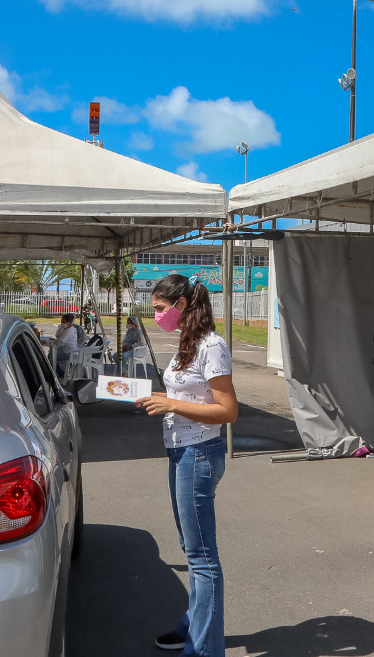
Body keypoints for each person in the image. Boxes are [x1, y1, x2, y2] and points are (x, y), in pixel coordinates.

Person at [134, 274, 237, 655]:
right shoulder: (187, 341)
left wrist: (171, 404)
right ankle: (194, 624)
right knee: (190, 546)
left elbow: (228, 410)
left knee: (202, 556)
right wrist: (156, 397)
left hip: (199, 453)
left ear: (181, 305)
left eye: (160, 308)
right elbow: (189, 394)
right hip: (180, 451)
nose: (156, 315)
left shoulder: (212, 346)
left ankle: (204, 648)